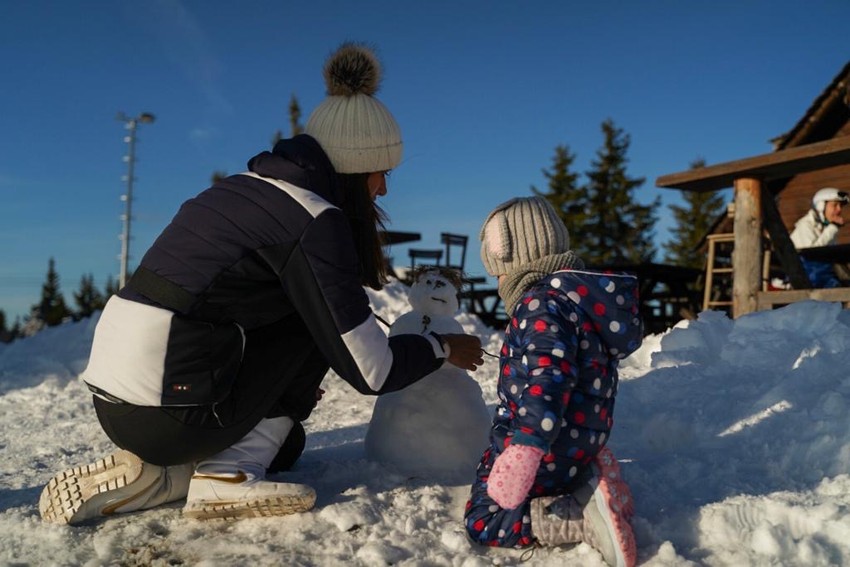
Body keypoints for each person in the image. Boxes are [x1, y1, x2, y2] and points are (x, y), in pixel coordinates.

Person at [39, 42, 483, 525]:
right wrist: (441, 348)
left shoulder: (240, 188)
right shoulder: (315, 218)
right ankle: (225, 475)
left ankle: (168, 475)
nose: (384, 189)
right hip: (169, 408)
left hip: (120, 398)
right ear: (358, 167)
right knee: (315, 325)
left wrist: (277, 394)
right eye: (382, 173)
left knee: (287, 445)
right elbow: (370, 371)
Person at [463, 196, 643, 567]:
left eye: (497, 271)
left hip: (547, 444)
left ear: (517, 262)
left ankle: (581, 518)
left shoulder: (540, 305)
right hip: (580, 440)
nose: (497, 283)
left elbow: (549, 379)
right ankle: (586, 477)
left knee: (485, 516)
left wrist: (526, 447)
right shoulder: (574, 301)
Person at [789, 187, 850, 288]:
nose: (839, 210)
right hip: (805, 279)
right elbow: (812, 254)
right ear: (821, 206)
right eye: (835, 205)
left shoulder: (827, 229)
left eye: (840, 206)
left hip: (820, 278)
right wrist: (833, 228)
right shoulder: (805, 225)